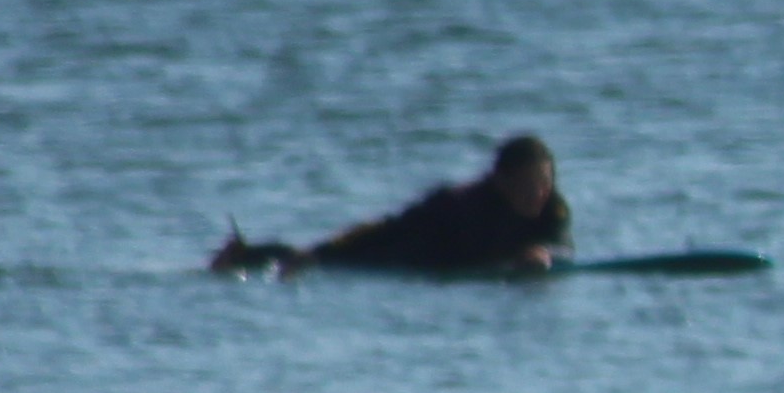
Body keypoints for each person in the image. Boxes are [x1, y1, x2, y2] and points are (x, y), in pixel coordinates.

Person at [213, 136, 572, 277]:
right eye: (529, 184)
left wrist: (544, 253)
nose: (539, 193)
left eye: (545, 183)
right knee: (326, 258)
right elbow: (392, 228)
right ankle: (245, 256)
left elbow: (562, 245)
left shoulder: (552, 206)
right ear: (502, 181)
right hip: (411, 244)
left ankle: (250, 254)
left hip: (452, 258)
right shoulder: (463, 204)